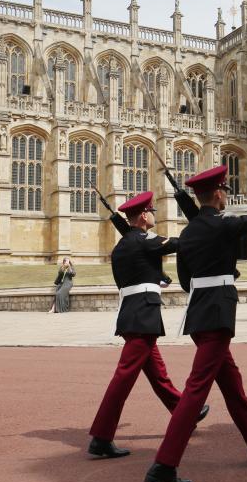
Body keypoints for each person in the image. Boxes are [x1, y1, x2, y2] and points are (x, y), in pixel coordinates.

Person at [145, 165, 247, 482]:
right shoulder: (222, 225)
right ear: (218, 193)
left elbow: (187, 280)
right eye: (225, 192)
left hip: (199, 312)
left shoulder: (188, 233)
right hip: (218, 312)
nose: (226, 197)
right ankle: (165, 462)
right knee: (195, 390)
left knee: (231, 382)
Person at [88, 191, 209, 458]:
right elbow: (178, 244)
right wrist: (203, 228)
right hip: (143, 315)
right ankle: (101, 436)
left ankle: (184, 410)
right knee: (123, 378)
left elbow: (135, 276)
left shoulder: (122, 247)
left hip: (133, 313)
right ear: (143, 215)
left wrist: (157, 277)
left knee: (158, 373)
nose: (154, 214)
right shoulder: (145, 241)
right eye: (152, 211)